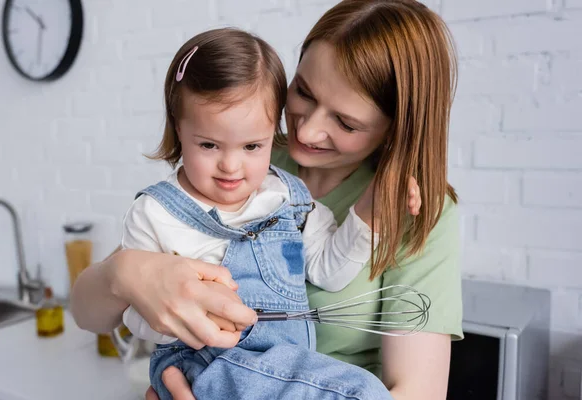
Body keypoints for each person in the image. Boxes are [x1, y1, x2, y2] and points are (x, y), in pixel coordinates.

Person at [71, 1, 462, 399]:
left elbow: (419, 391)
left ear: (397, 125)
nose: (307, 132)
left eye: (345, 122)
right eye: (303, 93)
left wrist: (368, 215)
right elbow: (90, 313)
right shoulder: (243, 162)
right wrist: (125, 273)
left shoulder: (412, 212)